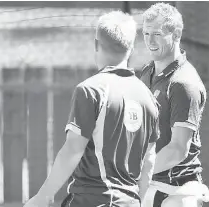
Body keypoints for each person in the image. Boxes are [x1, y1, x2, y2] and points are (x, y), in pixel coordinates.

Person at [24, 11, 159, 207]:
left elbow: (72, 149)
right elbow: (149, 162)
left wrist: (42, 197)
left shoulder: (91, 90)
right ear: (131, 48)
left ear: (96, 44)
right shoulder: (149, 99)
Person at [139, 3, 209, 207]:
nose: (150, 41)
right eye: (146, 33)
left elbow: (178, 149)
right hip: (150, 185)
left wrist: (136, 173)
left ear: (176, 34)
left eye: (158, 34)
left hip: (177, 193)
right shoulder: (147, 71)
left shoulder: (183, 83)